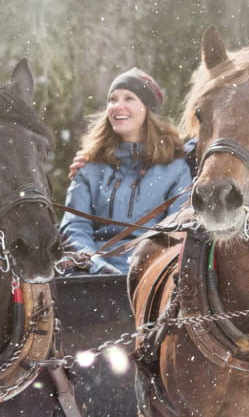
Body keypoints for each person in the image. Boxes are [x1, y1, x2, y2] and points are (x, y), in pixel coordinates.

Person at [59, 68, 192, 274]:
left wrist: (144, 268)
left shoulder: (174, 167)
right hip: (91, 275)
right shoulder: (90, 166)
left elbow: (178, 228)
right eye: (113, 99)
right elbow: (75, 226)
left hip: (153, 273)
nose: (117, 106)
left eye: (129, 98)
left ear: (147, 109)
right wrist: (96, 266)